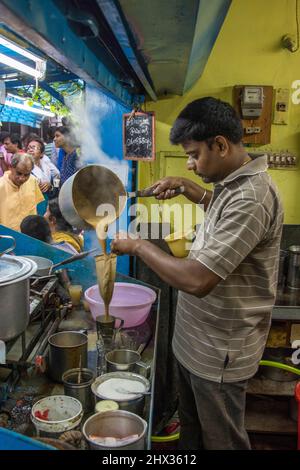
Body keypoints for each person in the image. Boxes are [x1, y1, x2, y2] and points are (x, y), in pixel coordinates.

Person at [111, 97, 284, 450]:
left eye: (193, 154)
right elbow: (224, 210)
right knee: (193, 434)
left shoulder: (253, 196)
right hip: (196, 345)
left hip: (219, 353)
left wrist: (139, 246)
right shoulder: (233, 185)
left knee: (222, 441)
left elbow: (198, 280)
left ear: (220, 144)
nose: (189, 164)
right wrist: (195, 193)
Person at [0, 153, 44, 231]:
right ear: (10, 168)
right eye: (19, 173)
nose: (22, 178)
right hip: (9, 238)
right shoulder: (1, 186)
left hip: (30, 234)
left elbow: (36, 207)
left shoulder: (32, 180)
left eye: (26, 175)